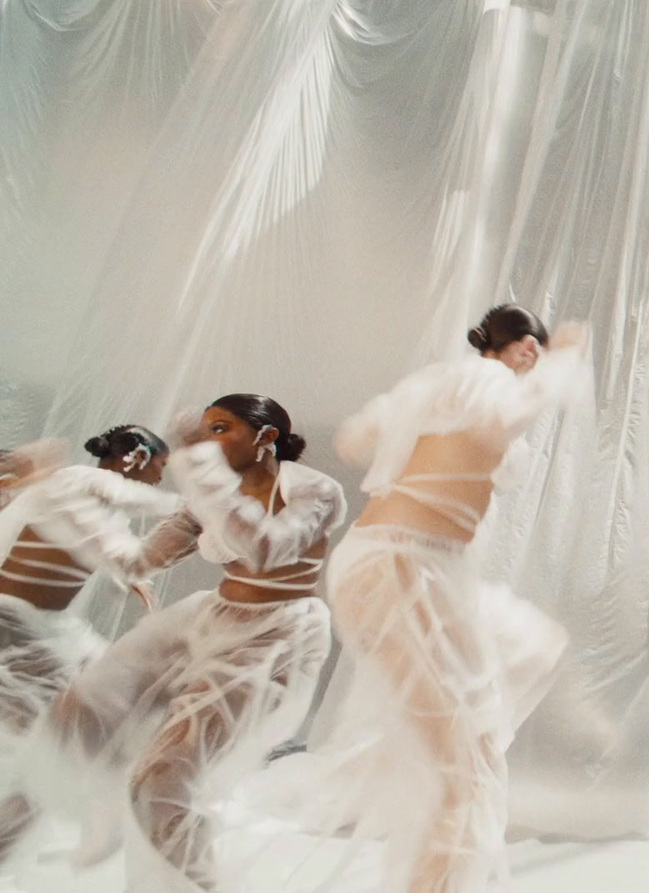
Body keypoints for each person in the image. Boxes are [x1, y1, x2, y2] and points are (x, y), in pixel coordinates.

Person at [301, 304, 586, 893]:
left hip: (406, 562)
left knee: (503, 691)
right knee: (464, 767)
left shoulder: (439, 384)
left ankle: (430, 854)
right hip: (401, 562)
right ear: (525, 352)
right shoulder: (486, 379)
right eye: (533, 357)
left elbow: (356, 440)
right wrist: (561, 366)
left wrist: (412, 424)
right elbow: (494, 424)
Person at [27, 395, 346, 893]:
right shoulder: (208, 494)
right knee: (73, 721)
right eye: (203, 432)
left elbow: (266, 549)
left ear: (266, 438)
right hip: (207, 619)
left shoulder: (314, 490)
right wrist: (69, 504)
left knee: (163, 782)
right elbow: (137, 561)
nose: (207, 442)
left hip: (275, 638)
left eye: (221, 429)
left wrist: (201, 469)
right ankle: (87, 820)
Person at [0, 427, 178, 863]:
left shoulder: (91, 500)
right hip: (15, 626)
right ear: (137, 457)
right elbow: (140, 505)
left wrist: (133, 577)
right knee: (50, 746)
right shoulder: (83, 481)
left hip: (49, 628)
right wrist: (203, 506)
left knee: (119, 707)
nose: (160, 477)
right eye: (161, 466)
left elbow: (104, 544)